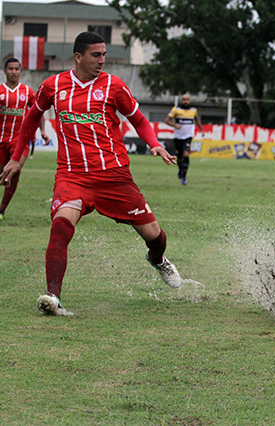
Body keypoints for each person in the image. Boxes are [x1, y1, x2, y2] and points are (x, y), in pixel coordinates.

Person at [0, 32, 182, 316]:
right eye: (96, 55)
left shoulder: (114, 85)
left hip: (114, 176)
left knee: (155, 235)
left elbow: (138, 119)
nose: (102, 60)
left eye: (104, 54)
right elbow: (32, 117)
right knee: (60, 226)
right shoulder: (53, 85)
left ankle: (157, 259)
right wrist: (16, 158)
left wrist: (155, 144)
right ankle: (53, 297)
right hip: (72, 176)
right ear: (78, 56)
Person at [0, 58, 50, 221]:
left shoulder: (27, 92)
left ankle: (2, 210)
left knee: (15, 170)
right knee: (3, 174)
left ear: (20, 71)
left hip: (19, 141)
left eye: (16, 69)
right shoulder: (0, 91)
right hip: (1, 140)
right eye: (10, 69)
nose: (14, 72)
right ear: (5, 71)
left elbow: (38, 111)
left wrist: (43, 130)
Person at [164, 93, 204, 185]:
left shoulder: (193, 110)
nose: (185, 101)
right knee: (180, 158)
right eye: (184, 100)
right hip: (178, 137)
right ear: (181, 100)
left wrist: (201, 129)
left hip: (188, 136)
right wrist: (175, 125)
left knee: (186, 154)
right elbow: (167, 120)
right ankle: (180, 170)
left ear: (189, 101)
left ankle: (184, 177)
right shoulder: (176, 110)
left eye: (187, 100)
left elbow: (197, 119)